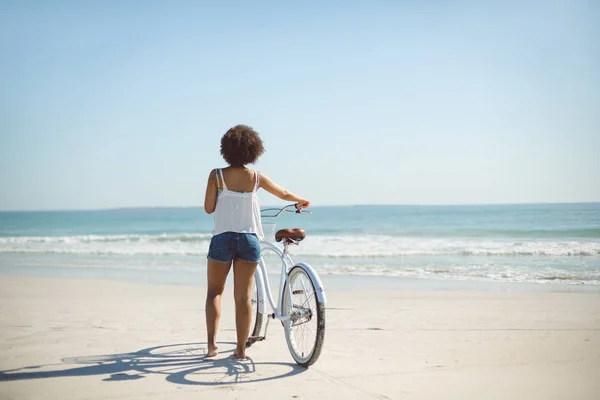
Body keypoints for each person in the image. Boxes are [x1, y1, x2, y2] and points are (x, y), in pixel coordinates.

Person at [203, 124, 310, 359]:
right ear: (253, 151)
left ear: (226, 149)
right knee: (243, 297)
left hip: (222, 238)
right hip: (249, 239)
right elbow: (282, 193)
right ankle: (240, 350)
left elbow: (209, 208)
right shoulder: (256, 178)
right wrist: (300, 200)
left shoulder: (217, 175)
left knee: (214, 292)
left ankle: (212, 347)